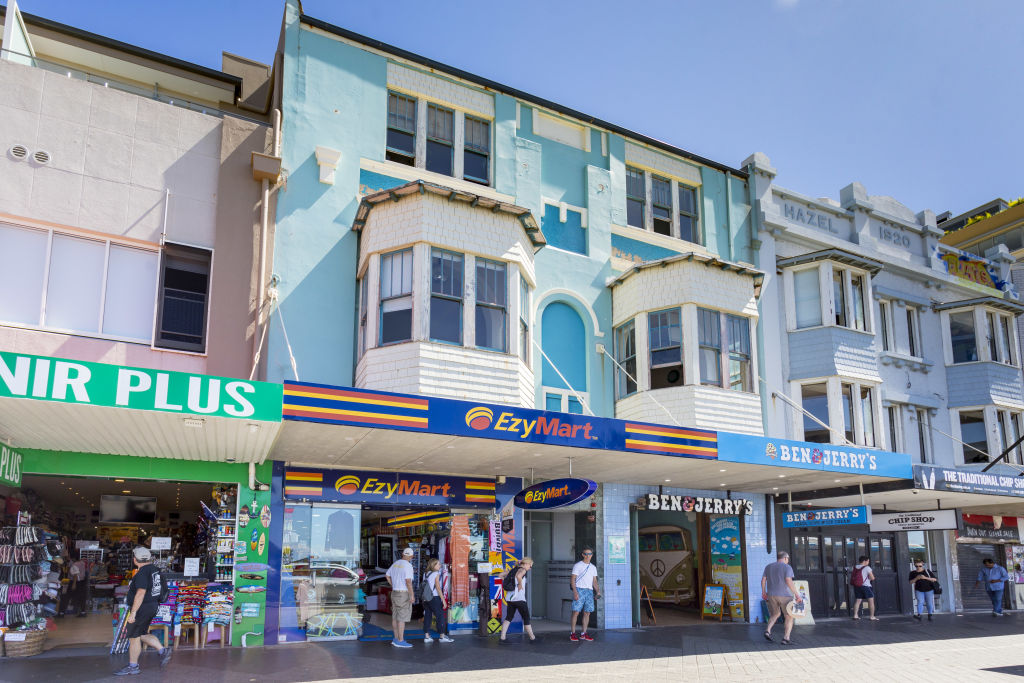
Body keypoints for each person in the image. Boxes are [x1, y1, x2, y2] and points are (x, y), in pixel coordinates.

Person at [113, 547, 172, 676]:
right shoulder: (155, 570)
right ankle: (163, 651)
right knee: (140, 633)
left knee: (133, 637)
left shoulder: (142, 573)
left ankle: (133, 666)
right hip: (152, 605)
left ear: (135, 560)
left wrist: (133, 613)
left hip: (142, 607)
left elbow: (140, 593)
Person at [761, 550, 804, 645]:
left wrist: (763, 592)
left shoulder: (768, 566)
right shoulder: (787, 567)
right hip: (785, 596)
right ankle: (786, 638)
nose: (788, 560)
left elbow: (763, 580)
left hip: (771, 595)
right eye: (787, 558)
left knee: (775, 614)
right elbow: (788, 580)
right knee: (789, 616)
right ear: (785, 558)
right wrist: (797, 595)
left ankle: (767, 630)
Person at [500, 557, 536, 642]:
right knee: (526, 617)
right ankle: (532, 638)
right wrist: (519, 585)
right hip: (519, 598)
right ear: (526, 564)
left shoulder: (513, 570)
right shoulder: (522, 570)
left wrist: (508, 579)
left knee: (509, 617)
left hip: (510, 598)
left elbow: (500, 575)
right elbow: (519, 576)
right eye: (530, 566)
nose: (530, 568)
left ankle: (502, 637)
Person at [386, 547, 416, 648]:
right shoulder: (408, 566)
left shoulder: (396, 563)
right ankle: (400, 640)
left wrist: (393, 585)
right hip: (403, 594)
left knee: (395, 617)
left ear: (403, 554)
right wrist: (412, 595)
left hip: (394, 593)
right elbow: (408, 582)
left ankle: (395, 638)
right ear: (412, 557)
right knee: (402, 618)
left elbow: (387, 575)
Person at [570, 547, 600, 642]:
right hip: (579, 589)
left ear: (592, 555)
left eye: (590, 554)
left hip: (589, 591)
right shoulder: (578, 565)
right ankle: (573, 633)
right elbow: (572, 579)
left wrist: (598, 591)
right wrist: (575, 592)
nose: (588, 556)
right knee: (576, 612)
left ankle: (584, 633)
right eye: (586, 554)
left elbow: (594, 581)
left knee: (587, 612)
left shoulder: (593, 567)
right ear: (583, 555)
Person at [421, 558, 453, 643]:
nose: (440, 565)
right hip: (434, 598)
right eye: (438, 564)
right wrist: (443, 600)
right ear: (433, 565)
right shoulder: (436, 573)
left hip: (426, 598)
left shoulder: (426, 573)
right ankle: (442, 636)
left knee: (428, 616)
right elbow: (438, 587)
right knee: (440, 616)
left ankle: (427, 636)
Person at [851, 555, 878, 621]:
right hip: (866, 586)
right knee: (871, 601)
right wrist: (869, 578)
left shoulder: (855, 567)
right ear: (864, 561)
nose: (868, 562)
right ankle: (872, 616)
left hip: (857, 586)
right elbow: (872, 578)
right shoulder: (867, 568)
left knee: (858, 601)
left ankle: (855, 615)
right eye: (868, 561)